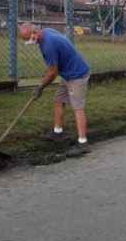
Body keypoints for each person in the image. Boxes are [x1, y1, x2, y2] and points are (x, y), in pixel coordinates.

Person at [19, 23, 91, 155]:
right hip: (67, 73)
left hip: (77, 75)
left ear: (35, 32)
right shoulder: (46, 30)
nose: (30, 42)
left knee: (78, 107)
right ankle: (58, 132)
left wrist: (40, 87)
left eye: (29, 38)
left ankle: (83, 143)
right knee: (59, 100)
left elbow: (53, 72)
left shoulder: (48, 45)